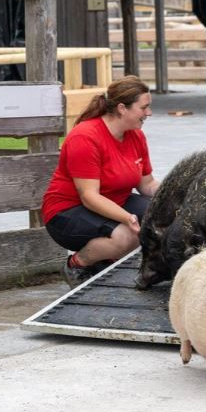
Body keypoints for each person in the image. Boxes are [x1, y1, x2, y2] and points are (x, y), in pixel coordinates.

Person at [42, 76, 161, 286]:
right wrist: (128, 218)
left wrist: (177, 194)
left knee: (161, 216)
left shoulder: (135, 136)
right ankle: (78, 264)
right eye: (144, 108)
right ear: (123, 108)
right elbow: (89, 196)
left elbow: (147, 184)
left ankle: (107, 262)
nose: (148, 113)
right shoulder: (85, 137)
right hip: (67, 211)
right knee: (127, 236)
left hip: (112, 201)